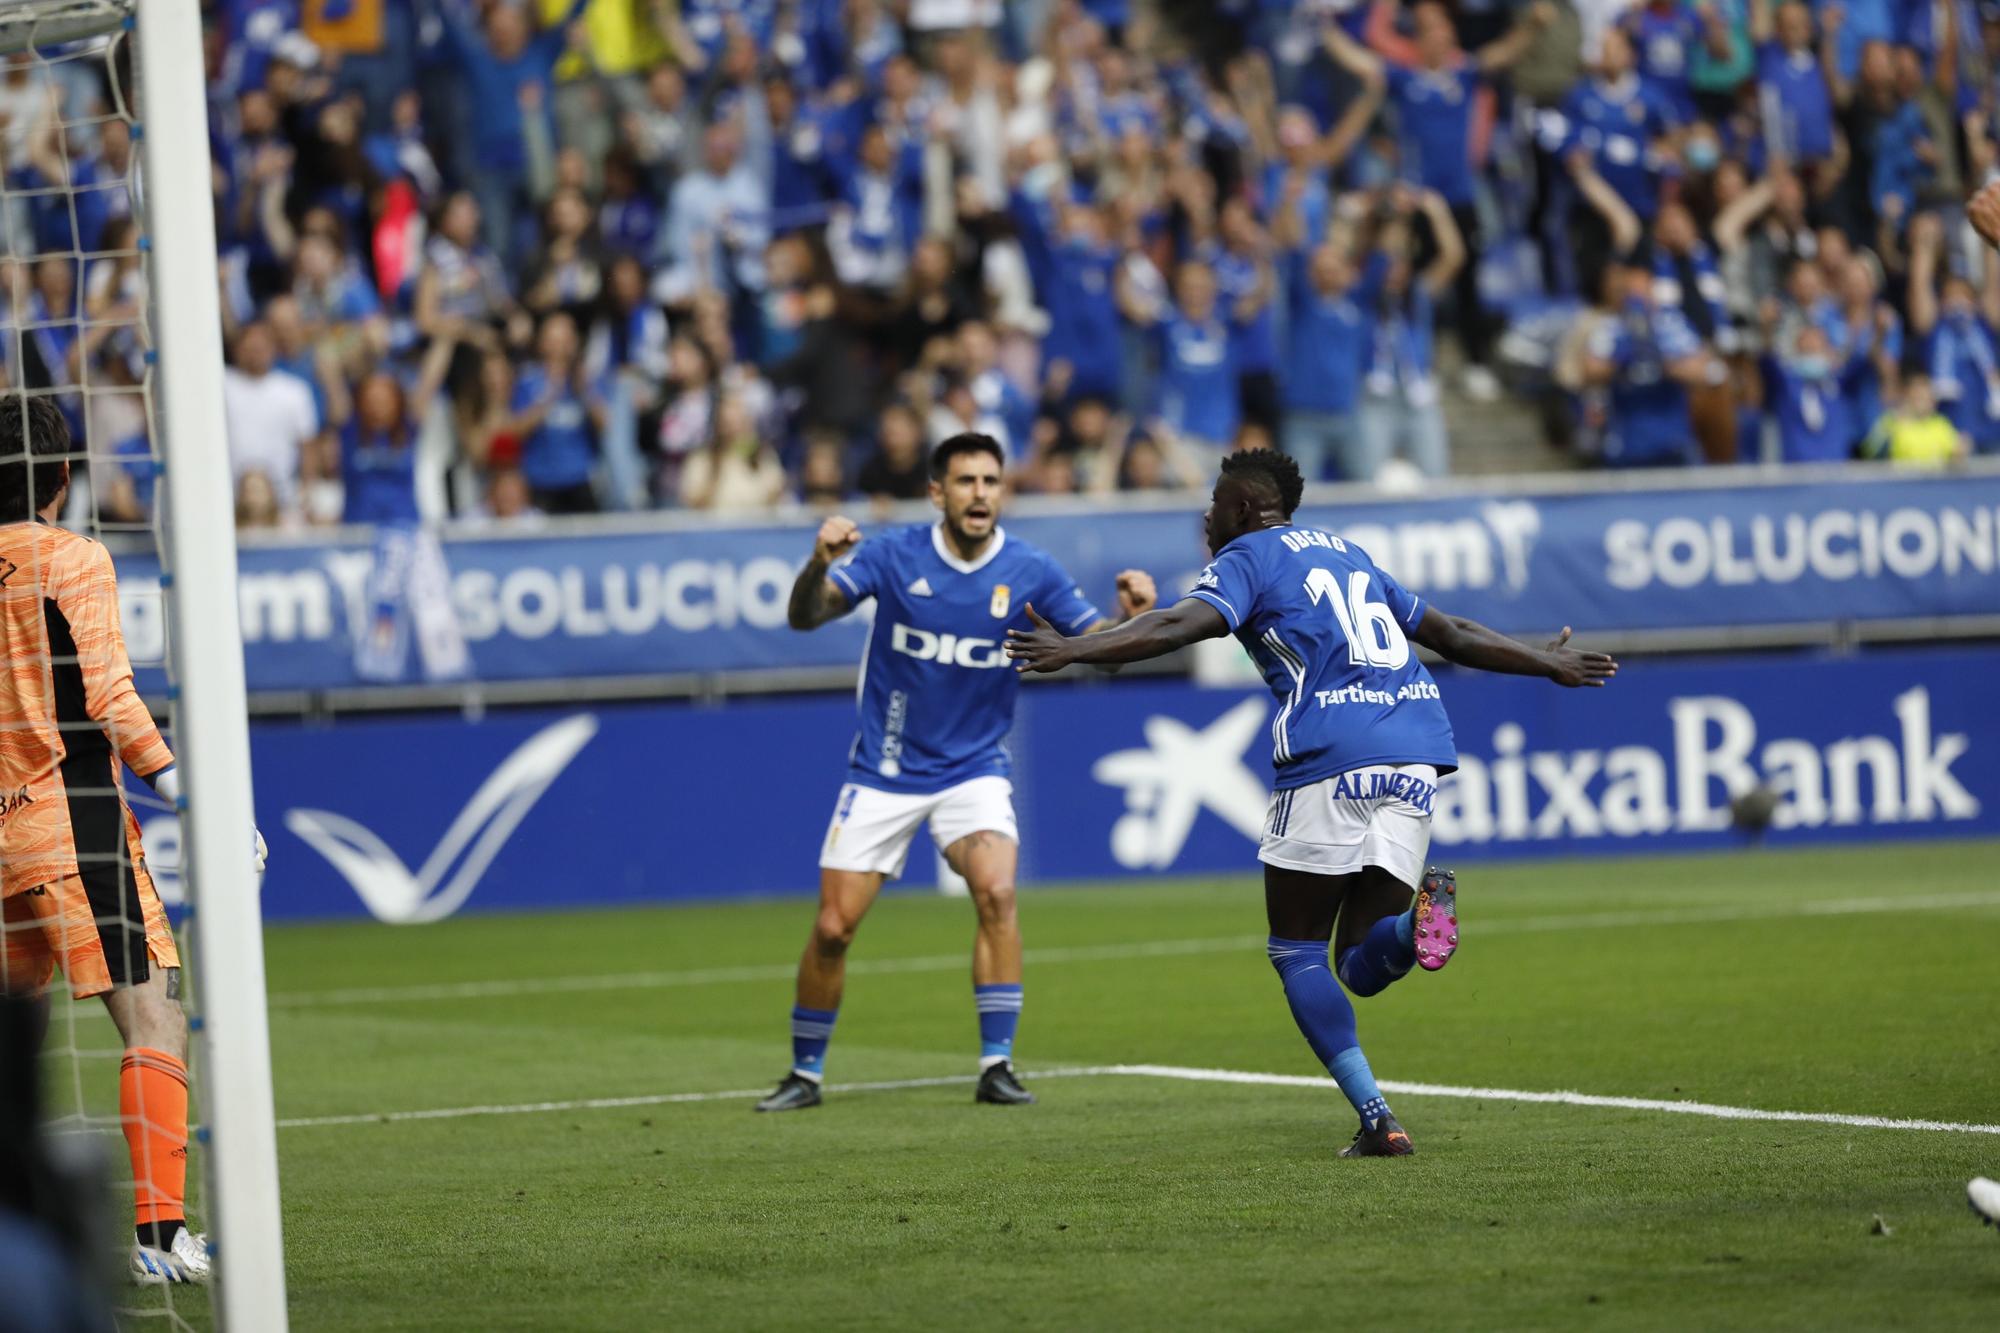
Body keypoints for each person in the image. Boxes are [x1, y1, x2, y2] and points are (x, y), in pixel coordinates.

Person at [1004, 448, 1616, 1155]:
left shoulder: (1247, 556)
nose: (1206, 516)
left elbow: (1176, 627)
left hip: (1330, 756)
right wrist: (1547, 660)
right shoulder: (1352, 555)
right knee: (1360, 959)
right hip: (1417, 751)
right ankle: (1416, 922)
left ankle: (1378, 1116)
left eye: (1213, 503)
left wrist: (1077, 650)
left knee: (1296, 951)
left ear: (1241, 509)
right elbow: (1451, 634)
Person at [757, 432, 1157, 1113]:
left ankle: (996, 1063)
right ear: (937, 492)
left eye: (991, 481)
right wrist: (816, 565)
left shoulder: (1032, 569)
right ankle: (805, 1072)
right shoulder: (892, 554)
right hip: (885, 768)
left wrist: (1135, 616)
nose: (980, 493)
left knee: (998, 892)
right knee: (832, 928)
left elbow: (1101, 650)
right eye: (966, 481)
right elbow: (806, 617)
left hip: (973, 768)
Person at [0, 397, 268, 1282]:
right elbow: (111, 696)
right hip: (70, 825)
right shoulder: (71, 555)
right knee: (154, 1008)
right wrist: (195, 796)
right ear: (64, 479)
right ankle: (158, 1242)